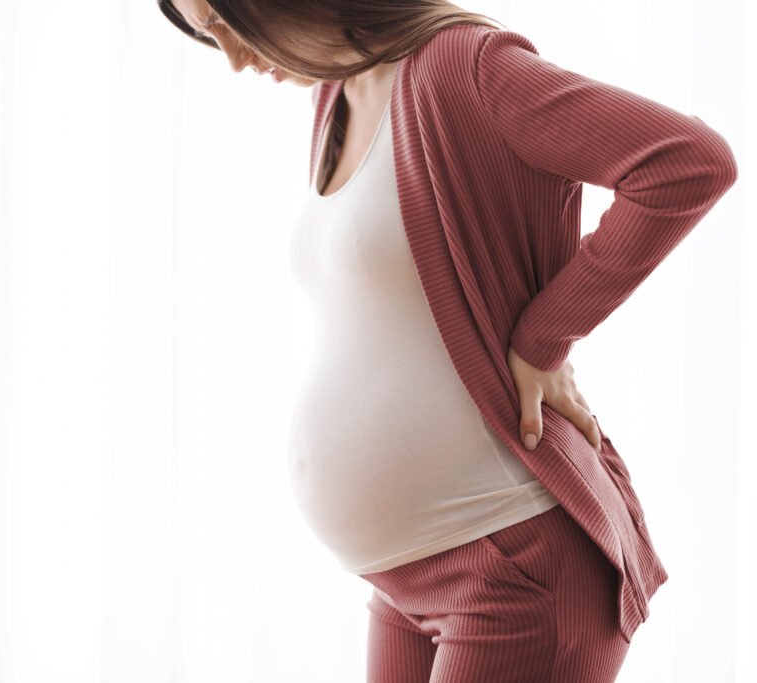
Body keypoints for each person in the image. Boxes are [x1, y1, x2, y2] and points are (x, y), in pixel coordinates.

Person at [157, 2, 738, 681]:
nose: (232, 58)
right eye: (208, 39)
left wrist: (545, 336)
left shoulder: (462, 68)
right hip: (403, 580)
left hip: (511, 563)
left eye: (231, 23)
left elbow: (687, 163)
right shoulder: (336, 93)